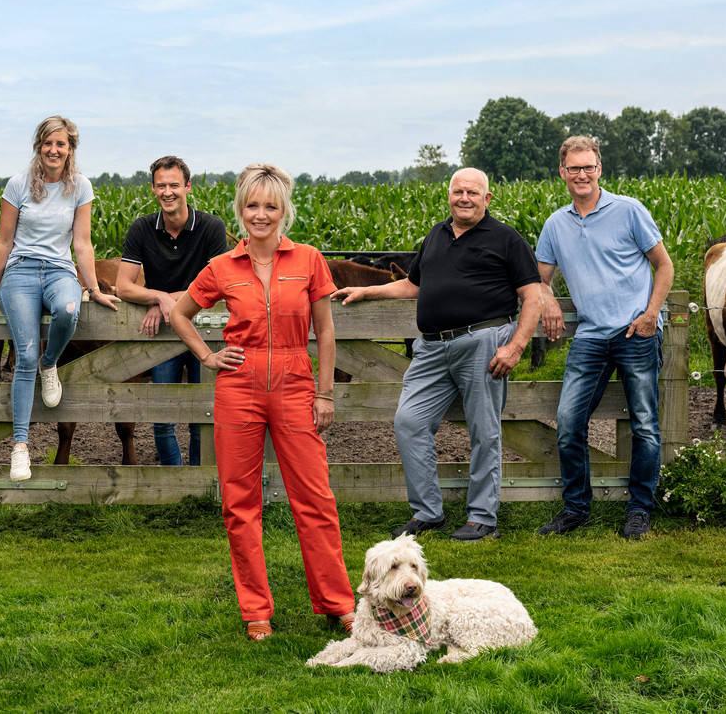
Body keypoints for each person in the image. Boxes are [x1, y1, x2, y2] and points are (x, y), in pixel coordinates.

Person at [170, 163, 355, 641]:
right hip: (239, 386)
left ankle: (337, 603)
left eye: (270, 206)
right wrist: (208, 355)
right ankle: (256, 613)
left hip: (296, 382)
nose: (261, 214)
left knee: (314, 498)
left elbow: (327, 331)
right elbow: (181, 313)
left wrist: (326, 391)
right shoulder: (221, 267)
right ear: (241, 209)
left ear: (284, 211)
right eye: (252, 205)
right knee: (240, 503)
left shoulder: (310, 260)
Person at [333, 168, 541, 543]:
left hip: (483, 342)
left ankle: (482, 518)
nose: (465, 198)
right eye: (458, 191)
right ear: (449, 195)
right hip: (431, 347)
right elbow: (413, 286)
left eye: (473, 192)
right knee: (409, 422)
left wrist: (516, 345)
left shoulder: (507, 239)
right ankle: (428, 514)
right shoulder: (436, 235)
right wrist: (367, 292)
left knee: (484, 430)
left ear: (487, 198)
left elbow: (532, 296)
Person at [535, 135, 674, 540]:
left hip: (636, 333)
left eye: (589, 167)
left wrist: (651, 316)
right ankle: (576, 508)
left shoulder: (629, 210)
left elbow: (663, 266)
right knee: (567, 422)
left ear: (600, 169)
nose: (582, 174)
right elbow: (539, 280)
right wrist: (549, 302)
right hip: (591, 336)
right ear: (562, 172)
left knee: (645, 424)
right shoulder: (555, 224)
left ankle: (639, 510)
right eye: (574, 168)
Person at [0, 117, 119, 482]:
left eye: (61, 144)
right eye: (48, 143)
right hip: (21, 273)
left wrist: (91, 288)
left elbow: (83, 244)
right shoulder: (18, 185)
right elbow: (4, 242)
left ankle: (50, 363)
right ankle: (21, 448)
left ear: (70, 148)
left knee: (68, 311)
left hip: (60, 271)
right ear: (38, 147)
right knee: (23, 354)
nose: (54, 150)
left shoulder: (81, 188)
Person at [115, 155, 228, 466]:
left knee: (201, 412)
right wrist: (158, 298)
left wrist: (165, 300)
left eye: (174, 185)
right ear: (153, 189)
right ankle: (173, 477)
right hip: (164, 331)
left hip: (203, 327)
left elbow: (221, 284)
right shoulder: (142, 228)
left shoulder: (211, 227)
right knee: (162, 415)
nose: (168, 192)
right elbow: (123, 287)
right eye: (161, 185)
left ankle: (197, 479)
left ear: (187, 187)